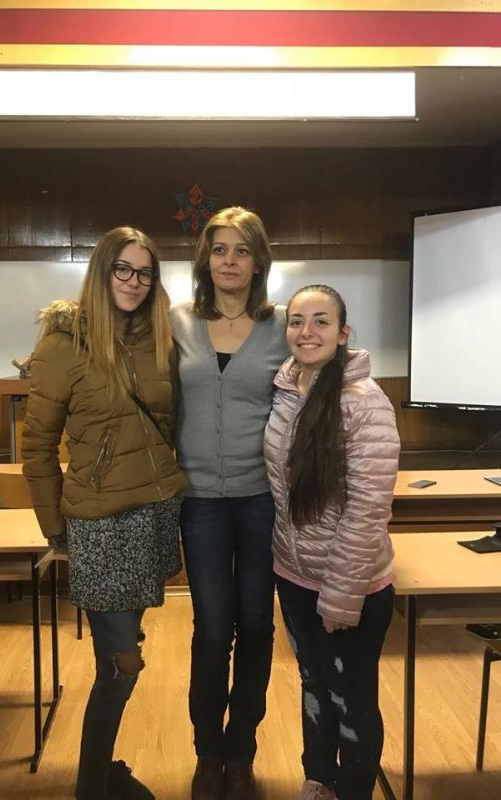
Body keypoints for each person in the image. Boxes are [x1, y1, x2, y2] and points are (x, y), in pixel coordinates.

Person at [21, 227, 187, 800]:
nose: (134, 282)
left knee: (118, 656)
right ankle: (91, 787)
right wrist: (55, 528)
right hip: (99, 523)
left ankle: (100, 772)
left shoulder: (160, 339)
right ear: (100, 270)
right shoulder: (62, 344)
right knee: (122, 664)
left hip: (154, 513)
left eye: (145, 272)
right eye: (123, 269)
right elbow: (37, 448)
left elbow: (171, 422)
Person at [264, 284, 400, 800]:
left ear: (343, 333)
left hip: (351, 588)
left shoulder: (365, 403)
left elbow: (368, 510)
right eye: (297, 321)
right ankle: (319, 781)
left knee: (351, 701)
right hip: (295, 575)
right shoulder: (286, 389)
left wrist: (341, 596)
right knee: (314, 688)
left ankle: (354, 790)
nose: (307, 331)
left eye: (321, 321)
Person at [170, 207, 288, 800]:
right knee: (214, 629)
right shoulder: (178, 321)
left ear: (259, 261)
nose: (230, 261)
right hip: (200, 504)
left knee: (257, 624)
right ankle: (207, 751)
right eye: (220, 249)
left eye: (242, 250)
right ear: (205, 259)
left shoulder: (282, 325)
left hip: (262, 499)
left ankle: (241, 751)